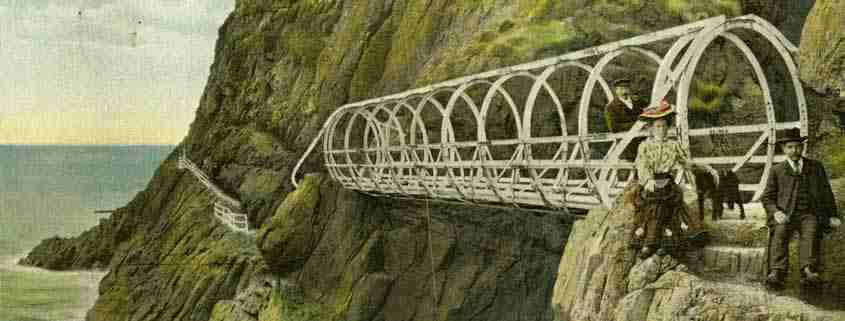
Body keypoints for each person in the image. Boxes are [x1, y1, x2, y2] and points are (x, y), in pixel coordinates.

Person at [632, 100, 719, 259]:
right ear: (651, 128)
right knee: (654, 207)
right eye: (658, 126)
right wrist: (648, 180)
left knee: (671, 206)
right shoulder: (644, 146)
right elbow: (641, 165)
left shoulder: (673, 145)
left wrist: (706, 168)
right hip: (651, 183)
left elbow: (686, 163)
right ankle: (649, 243)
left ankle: (665, 244)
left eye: (664, 126)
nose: (661, 130)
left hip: (668, 182)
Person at [763, 128, 841, 290]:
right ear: (784, 149)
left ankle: (808, 270)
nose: (794, 151)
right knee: (780, 232)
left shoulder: (816, 167)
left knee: (811, 231)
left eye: (798, 146)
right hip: (785, 214)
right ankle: (777, 271)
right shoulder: (777, 170)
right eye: (790, 147)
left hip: (809, 213)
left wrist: (833, 215)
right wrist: (776, 212)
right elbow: (767, 197)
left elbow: (827, 193)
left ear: (802, 147)